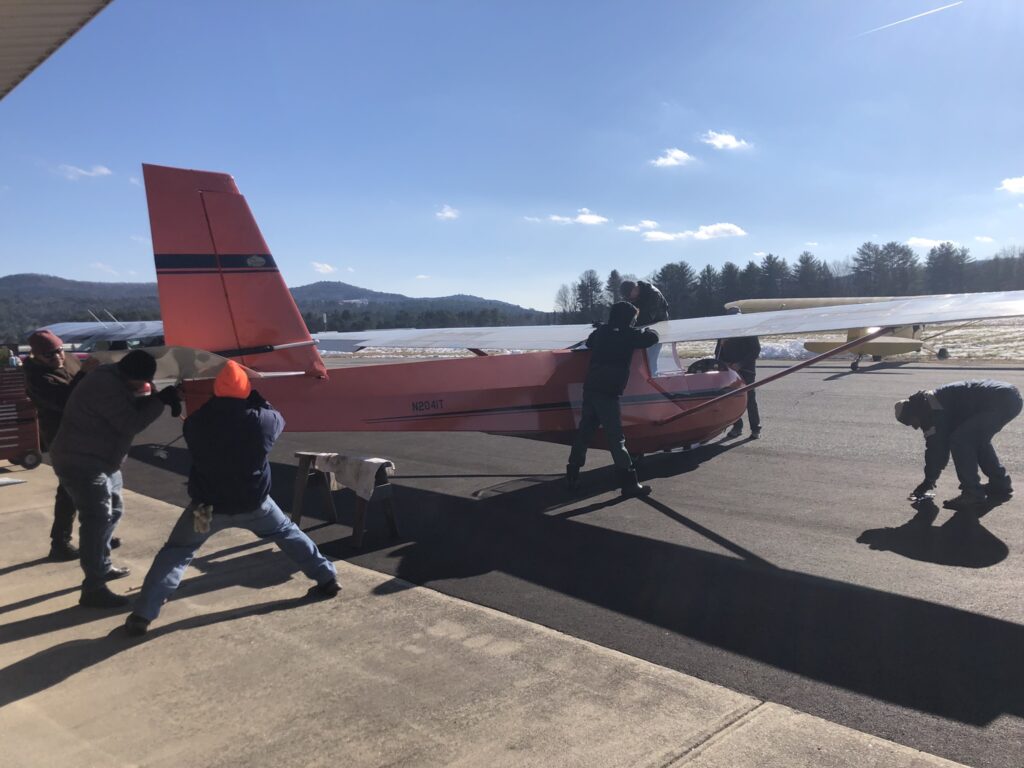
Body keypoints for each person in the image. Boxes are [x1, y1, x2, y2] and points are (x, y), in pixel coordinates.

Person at [124, 361, 339, 636]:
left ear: (216, 390)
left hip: (206, 508)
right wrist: (255, 395)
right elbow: (276, 417)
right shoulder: (263, 421)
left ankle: (143, 614)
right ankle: (327, 578)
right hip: (255, 504)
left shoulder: (196, 423)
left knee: (177, 553)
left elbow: (204, 423)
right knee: (286, 532)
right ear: (245, 390)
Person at [50, 350, 181, 608]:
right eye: (139, 382)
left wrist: (156, 397)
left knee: (114, 511)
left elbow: (131, 403)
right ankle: (93, 588)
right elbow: (130, 422)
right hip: (82, 462)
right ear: (127, 374)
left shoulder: (115, 378)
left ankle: (102, 565)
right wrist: (159, 402)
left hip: (102, 460)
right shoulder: (103, 385)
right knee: (96, 520)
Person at [565, 302, 659, 498]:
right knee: (616, 438)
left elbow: (590, 342)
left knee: (585, 432)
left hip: (591, 387)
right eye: (633, 318)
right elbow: (652, 338)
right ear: (628, 319)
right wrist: (648, 328)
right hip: (607, 392)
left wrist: (603, 328)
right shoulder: (629, 334)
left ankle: (572, 475)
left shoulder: (602, 332)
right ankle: (629, 483)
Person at [23, 330, 97, 560]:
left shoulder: (69, 361)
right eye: (49, 354)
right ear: (36, 356)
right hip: (63, 438)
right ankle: (60, 542)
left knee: (93, 489)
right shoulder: (38, 378)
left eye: (59, 350)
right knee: (69, 490)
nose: (57, 356)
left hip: (84, 434)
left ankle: (97, 534)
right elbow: (68, 401)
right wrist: (85, 374)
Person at [896, 380, 1022, 513]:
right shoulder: (930, 402)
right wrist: (930, 479)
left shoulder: (933, 412)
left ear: (914, 412)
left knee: (960, 440)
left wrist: (928, 480)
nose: (915, 427)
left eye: (912, 422)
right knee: (977, 441)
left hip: (999, 401)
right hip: (1009, 396)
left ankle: (972, 494)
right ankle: (1000, 484)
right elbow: (938, 448)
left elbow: (937, 449)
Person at [715, 308, 761, 439]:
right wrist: (724, 364)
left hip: (746, 370)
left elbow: (755, 350)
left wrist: (740, 364)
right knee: (732, 400)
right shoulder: (723, 332)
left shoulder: (749, 330)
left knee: (750, 399)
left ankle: (755, 428)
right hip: (729, 371)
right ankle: (737, 426)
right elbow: (718, 353)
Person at [619, 280, 669, 376]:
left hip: (657, 330)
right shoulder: (633, 296)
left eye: (629, 296)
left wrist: (631, 325)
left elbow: (647, 317)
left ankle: (653, 379)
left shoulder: (654, 295)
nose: (629, 299)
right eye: (626, 297)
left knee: (651, 359)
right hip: (641, 330)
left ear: (635, 289)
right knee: (637, 359)